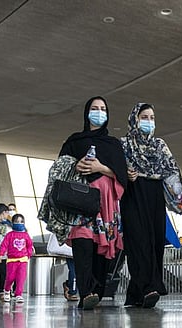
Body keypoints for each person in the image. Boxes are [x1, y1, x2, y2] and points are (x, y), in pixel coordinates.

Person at [59, 96, 127, 310]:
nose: (99, 112)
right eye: (95, 108)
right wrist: (75, 165)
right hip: (80, 202)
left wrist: (101, 168)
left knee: (101, 247)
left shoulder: (113, 144)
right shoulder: (74, 141)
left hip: (105, 204)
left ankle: (96, 292)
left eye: (103, 109)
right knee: (83, 244)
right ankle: (85, 292)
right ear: (87, 112)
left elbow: (122, 174)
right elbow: (60, 167)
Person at [120, 102, 182, 308]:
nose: (148, 121)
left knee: (155, 242)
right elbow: (114, 168)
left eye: (151, 118)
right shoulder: (124, 144)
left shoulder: (159, 145)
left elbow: (171, 170)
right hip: (133, 195)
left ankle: (137, 292)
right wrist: (125, 173)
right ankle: (150, 287)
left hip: (155, 196)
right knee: (138, 242)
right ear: (134, 119)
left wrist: (180, 199)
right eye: (144, 117)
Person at [0, 213, 33, 304]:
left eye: (21, 222)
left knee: (21, 278)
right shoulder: (9, 235)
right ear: (12, 223)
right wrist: (1, 254)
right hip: (11, 261)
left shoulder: (26, 235)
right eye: (17, 221)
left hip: (23, 260)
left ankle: (18, 294)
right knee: (10, 278)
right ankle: (7, 290)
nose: (19, 223)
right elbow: (4, 245)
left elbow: (29, 245)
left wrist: (28, 255)